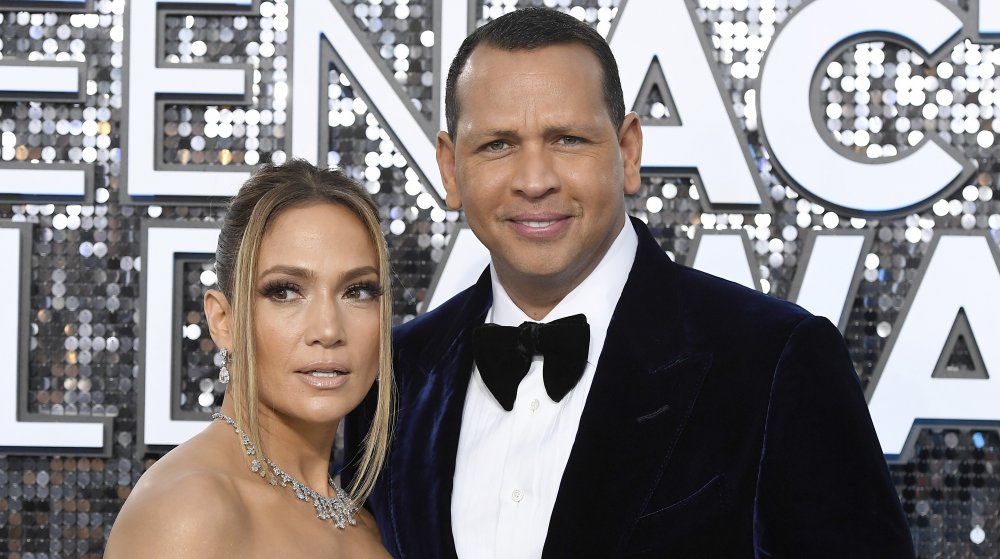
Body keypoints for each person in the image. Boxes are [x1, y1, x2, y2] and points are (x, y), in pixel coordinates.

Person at [344, 7, 914, 559]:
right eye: (498, 145)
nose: (535, 180)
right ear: (451, 169)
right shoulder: (391, 378)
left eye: (568, 139)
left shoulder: (774, 361)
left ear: (628, 151)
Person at [105, 161, 393, 558]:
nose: (328, 330)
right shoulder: (190, 511)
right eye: (285, 291)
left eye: (358, 291)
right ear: (224, 321)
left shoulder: (368, 526)